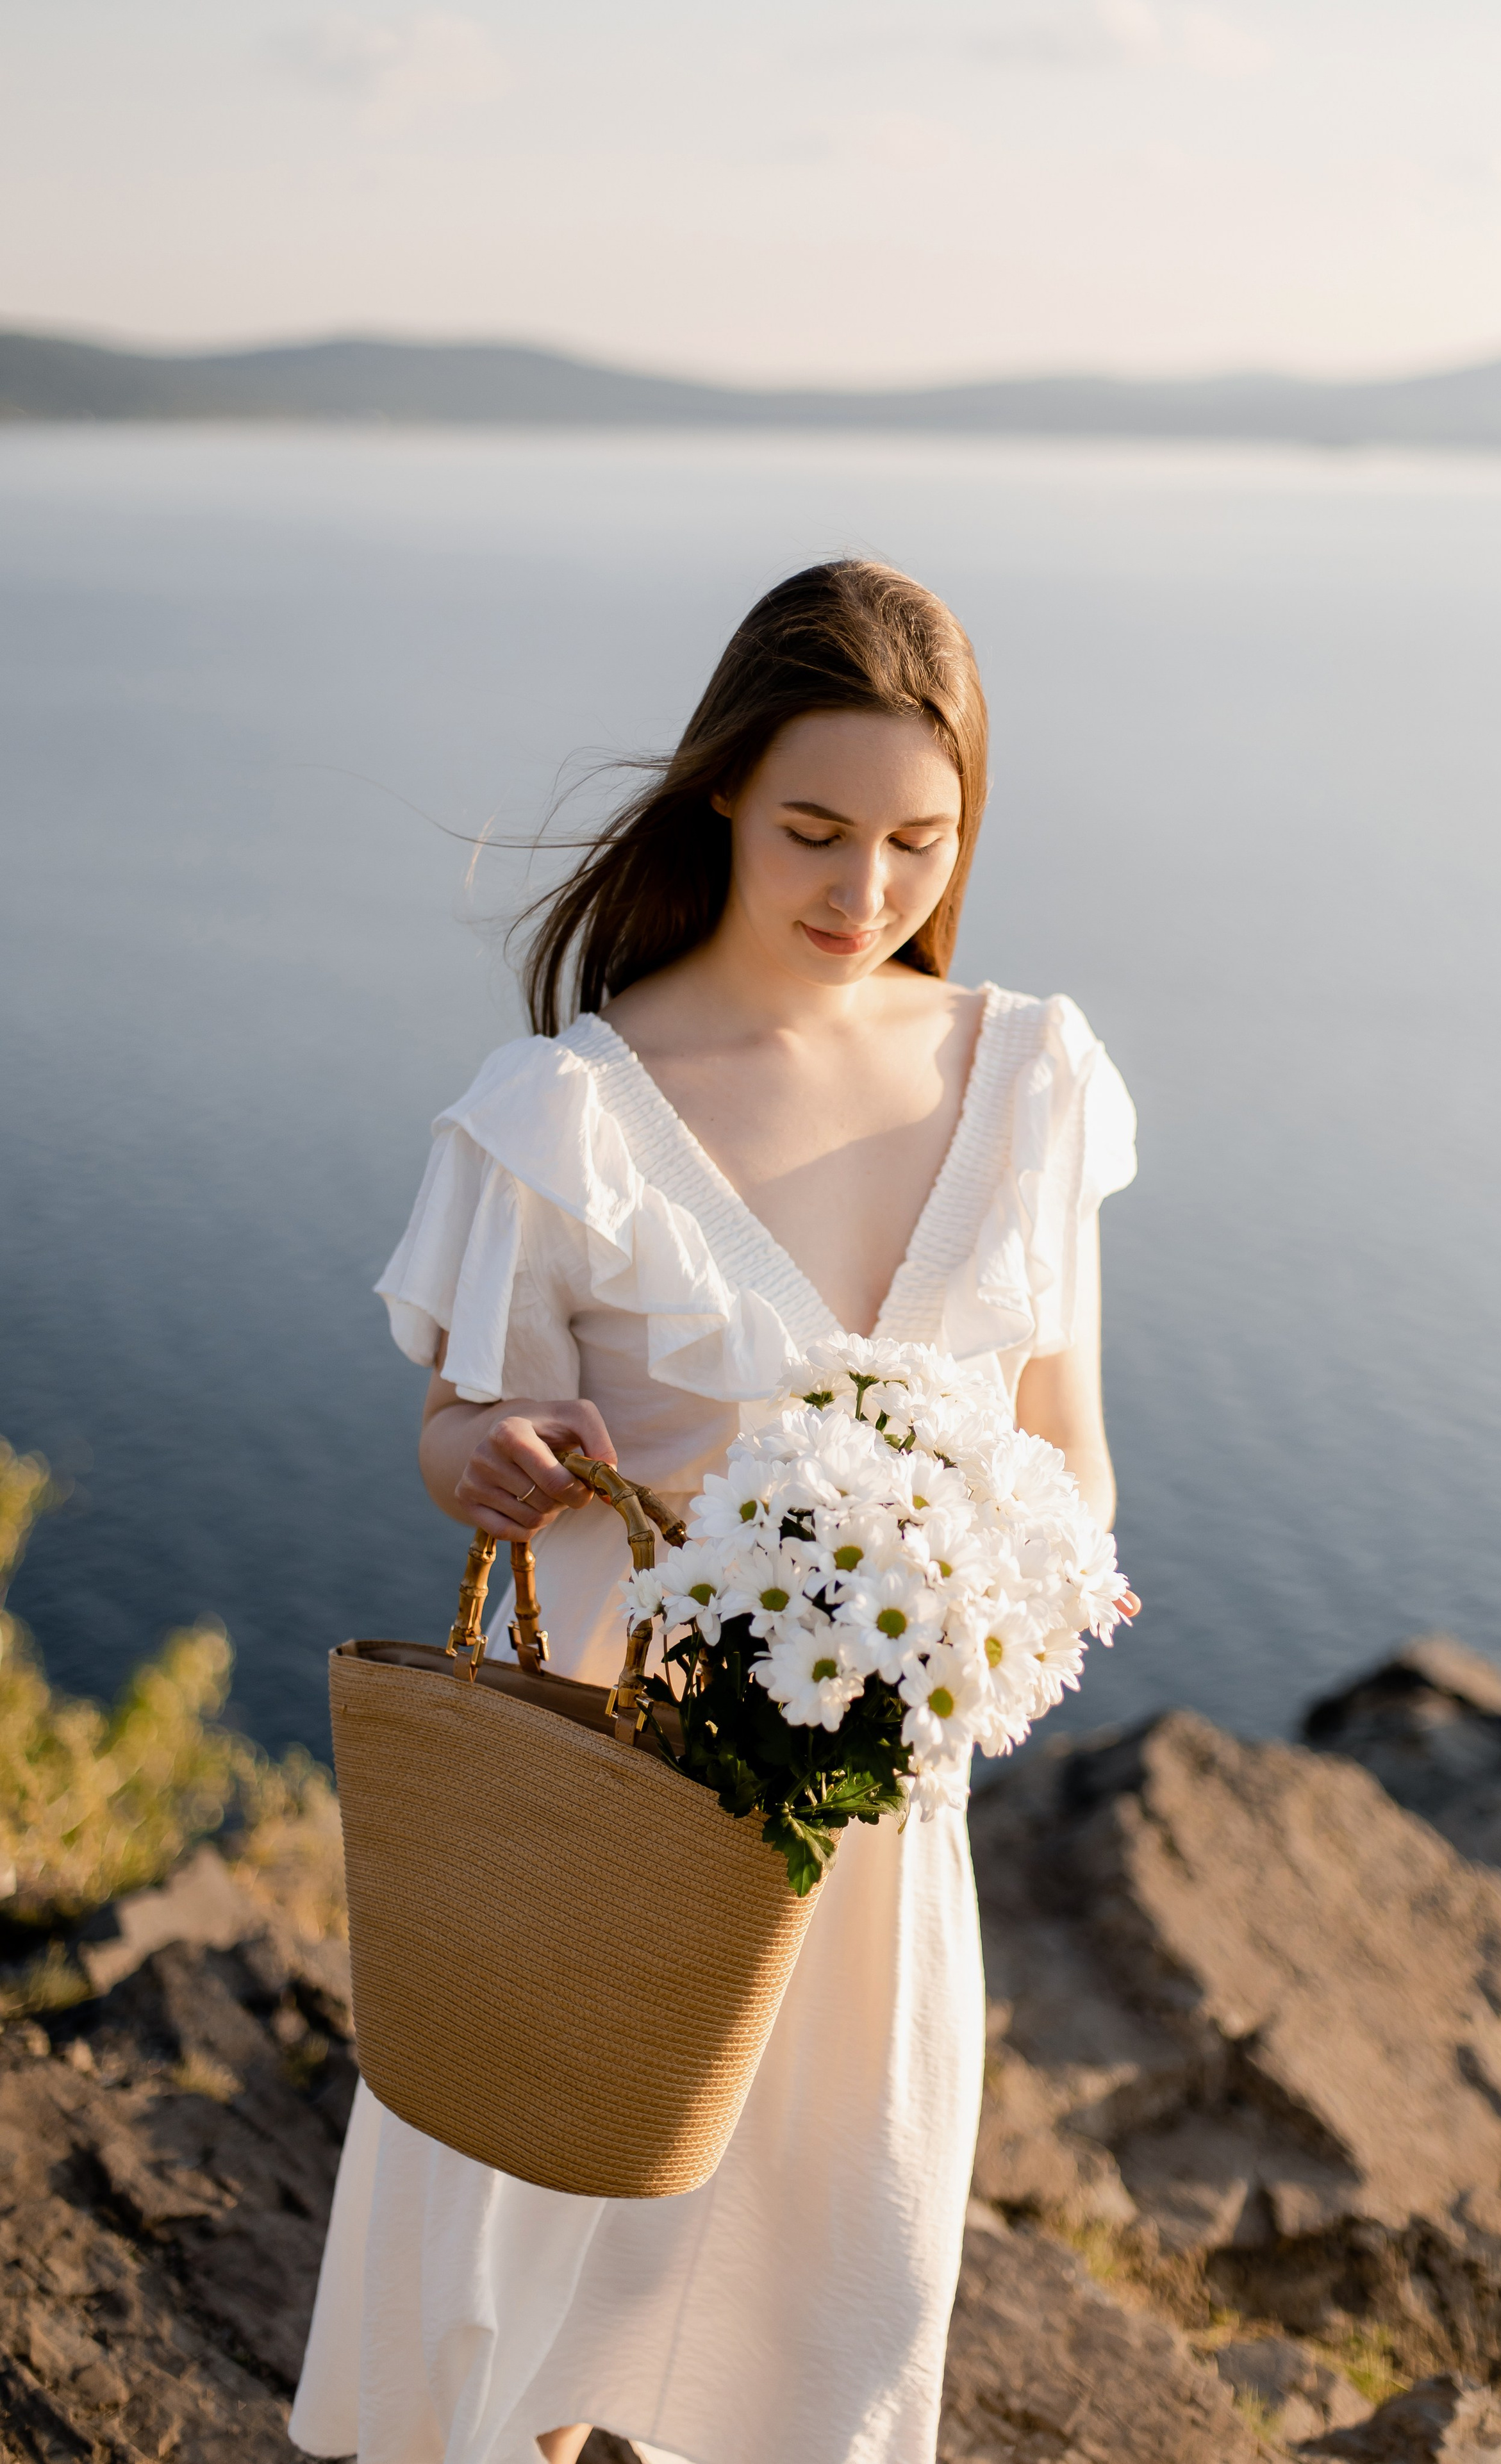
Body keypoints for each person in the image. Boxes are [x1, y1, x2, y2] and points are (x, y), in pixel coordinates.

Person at [289, 559, 1136, 2464]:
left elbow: (1070, 1457)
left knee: (822, 2339)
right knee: (530, 2324)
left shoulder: (1032, 1081)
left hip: (875, 1834)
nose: (864, 897)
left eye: (920, 842)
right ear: (722, 803)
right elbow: (452, 1429)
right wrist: (495, 1459)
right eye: (815, 833)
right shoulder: (567, 1111)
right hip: (611, 1812)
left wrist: (977, 1613)